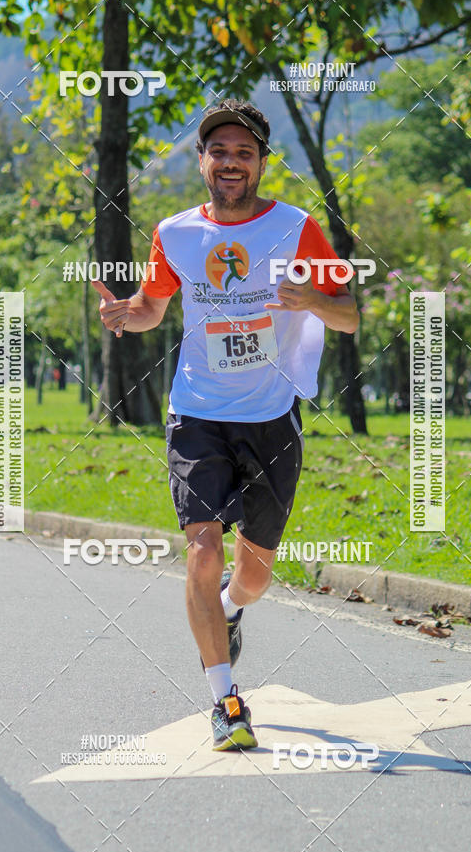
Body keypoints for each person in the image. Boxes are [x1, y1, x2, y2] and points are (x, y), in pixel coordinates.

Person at [95, 99, 359, 751]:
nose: (231, 162)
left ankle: (231, 609)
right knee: (203, 550)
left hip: (270, 416)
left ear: (261, 163)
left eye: (244, 153)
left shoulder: (297, 227)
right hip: (197, 413)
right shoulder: (176, 233)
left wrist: (313, 300)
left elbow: (350, 315)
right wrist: (130, 314)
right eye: (220, 151)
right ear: (203, 161)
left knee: (255, 574)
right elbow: (156, 308)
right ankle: (226, 702)